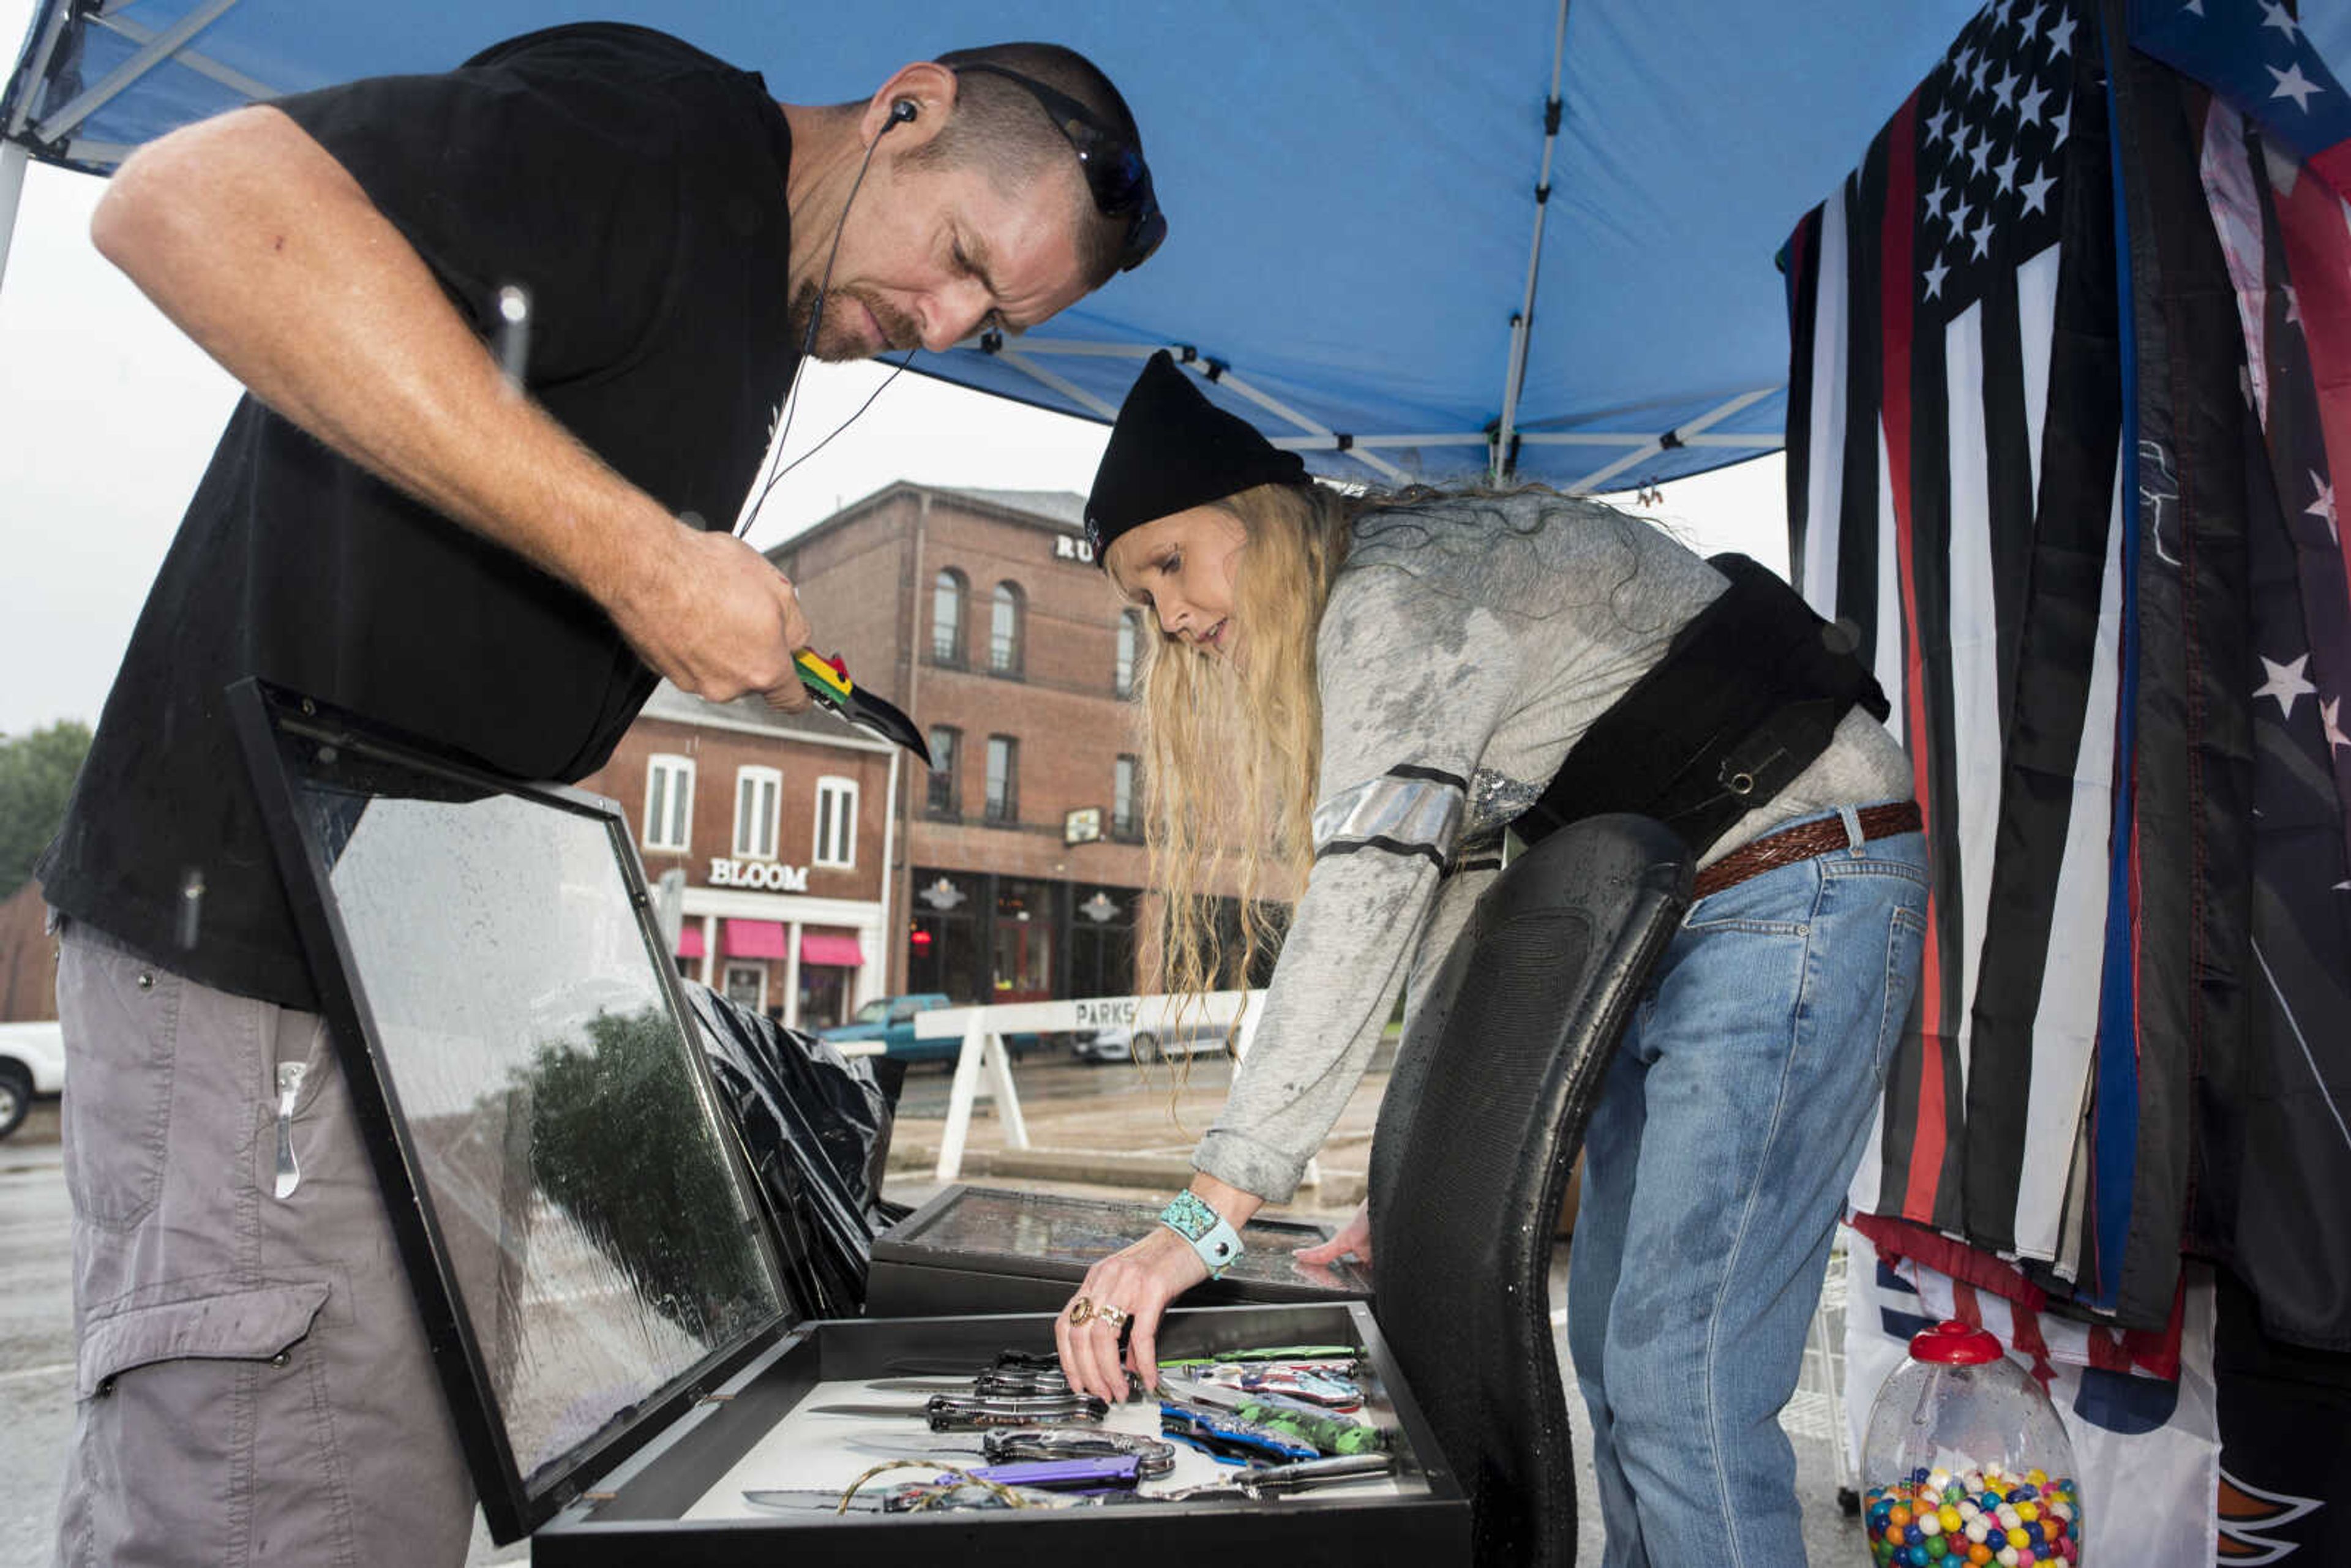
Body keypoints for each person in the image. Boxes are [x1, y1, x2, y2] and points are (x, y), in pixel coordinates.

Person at [37, 24, 1160, 1566]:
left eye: (985, 323)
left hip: (407, 983)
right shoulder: (661, 143)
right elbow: (193, 201)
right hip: (261, 955)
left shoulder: (759, 308)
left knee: (383, 1493)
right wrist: (641, 559)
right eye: (958, 255)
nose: (939, 317)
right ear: (908, 111)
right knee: (274, 1508)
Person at [1054, 352, 1927, 1565]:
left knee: (1682, 1377)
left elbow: (1367, 895)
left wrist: (1204, 1218)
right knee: (1616, 1354)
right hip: (1683, 921)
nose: (1175, 617)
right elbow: (1453, 909)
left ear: (1260, 520)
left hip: (1797, 881)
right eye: (1142, 602)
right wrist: (1413, 1173)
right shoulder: (1391, 620)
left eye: (1171, 565)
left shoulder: (1393, 602)